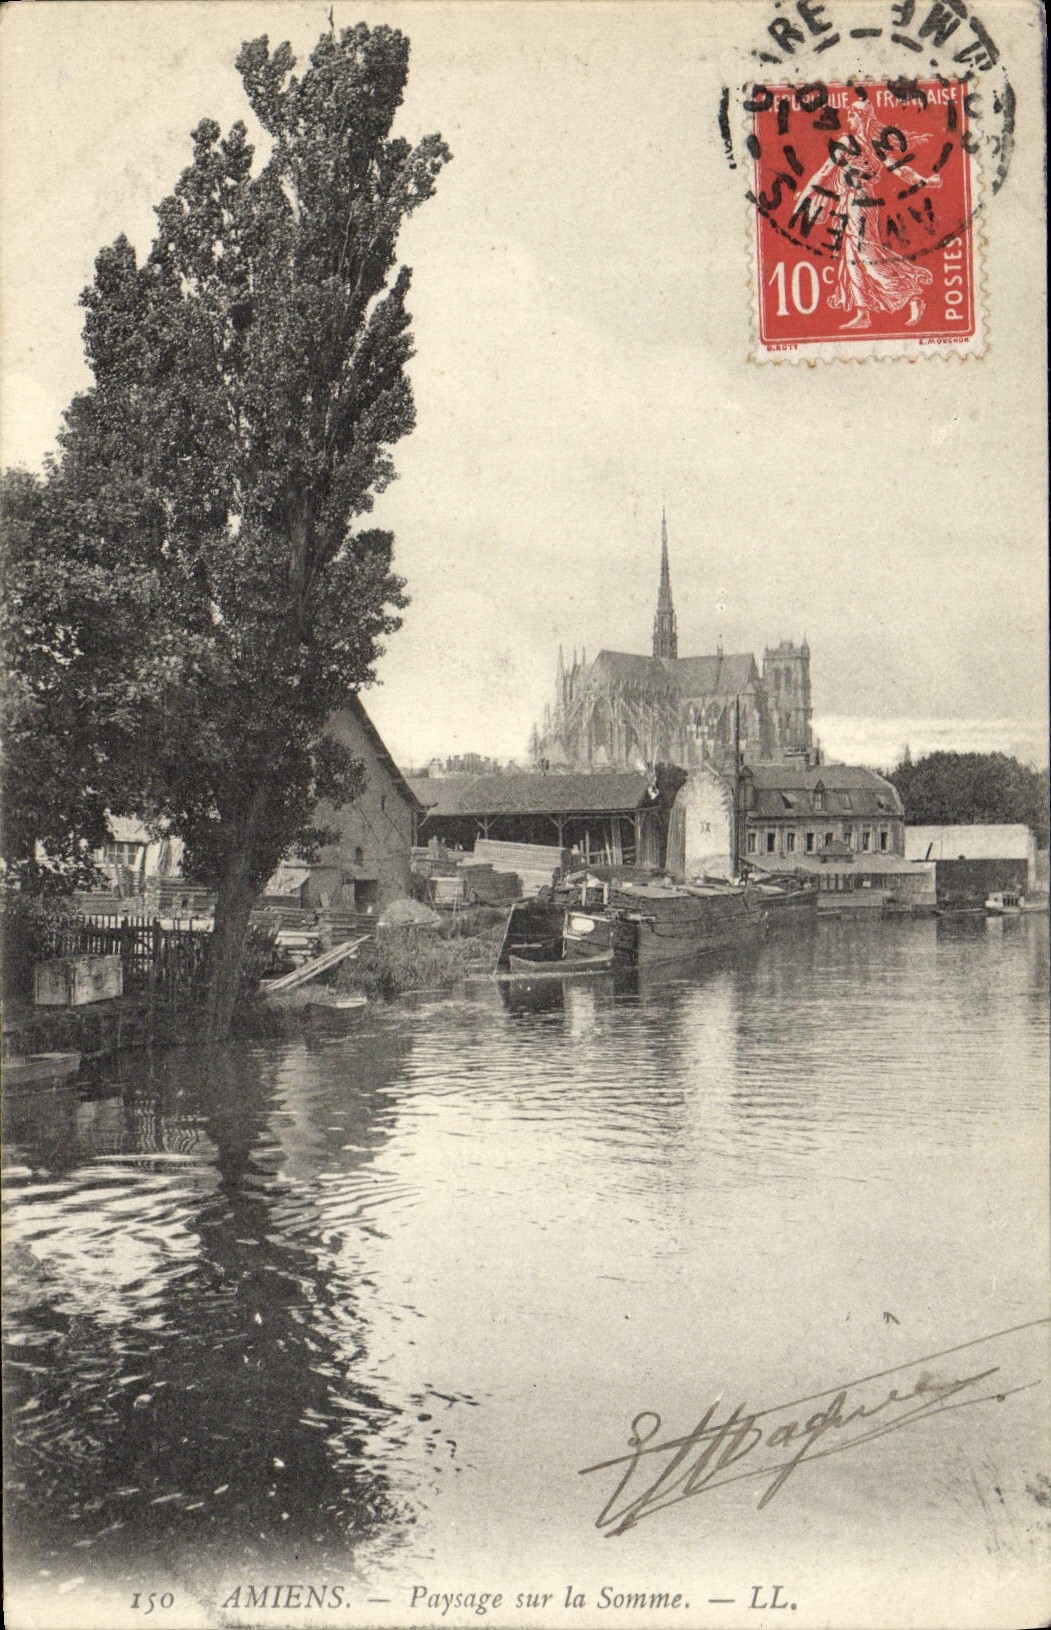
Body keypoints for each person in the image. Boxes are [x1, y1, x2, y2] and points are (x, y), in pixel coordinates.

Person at [795, 97, 943, 330]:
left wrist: (925, 181)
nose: (849, 119)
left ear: (862, 118)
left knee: (866, 256)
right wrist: (805, 197)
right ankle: (863, 314)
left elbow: (899, 170)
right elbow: (825, 172)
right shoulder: (857, 142)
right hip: (850, 201)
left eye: (853, 116)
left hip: (861, 202)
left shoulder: (870, 145)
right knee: (851, 256)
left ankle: (911, 295)